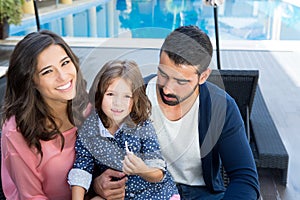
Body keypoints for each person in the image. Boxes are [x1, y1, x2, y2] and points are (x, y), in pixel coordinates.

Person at [93, 25, 260, 199]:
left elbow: (244, 178)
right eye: (163, 74)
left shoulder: (221, 107)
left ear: (203, 77)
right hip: (144, 190)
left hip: (201, 193)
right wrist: (97, 183)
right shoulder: (133, 96)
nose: (167, 89)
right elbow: (98, 148)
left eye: (181, 82)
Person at [68, 60, 180, 200]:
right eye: (110, 94)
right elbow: (82, 168)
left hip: (156, 195)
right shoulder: (89, 130)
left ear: (135, 99)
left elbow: (158, 172)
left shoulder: (141, 125)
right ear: (100, 94)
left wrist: (142, 170)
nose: (117, 103)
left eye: (126, 96)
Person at [1, 30, 89, 199]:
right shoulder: (17, 132)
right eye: (48, 71)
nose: (63, 77)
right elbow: (32, 197)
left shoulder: (87, 106)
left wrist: (101, 184)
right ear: (31, 81)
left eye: (65, 63)